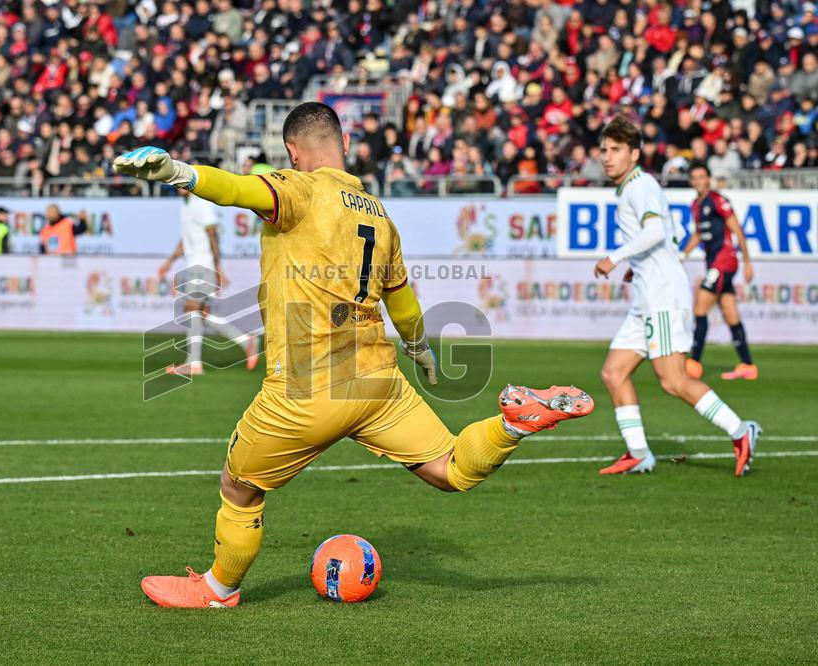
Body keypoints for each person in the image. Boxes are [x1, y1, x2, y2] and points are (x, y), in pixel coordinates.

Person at [113, 102, 595, 609]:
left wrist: (176, 172)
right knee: (449, 468)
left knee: (239, 486)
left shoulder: (299, 187)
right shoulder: (380, 216)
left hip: (306, 386)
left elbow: (237, 189)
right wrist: (422, 352)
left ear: (292, 153)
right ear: (345, 146)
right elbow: (403, 301)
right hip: (377, 382)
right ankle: (515, 425)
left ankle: (218, 590)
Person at [592, 116, 760, 477]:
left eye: (616, 150)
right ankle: (639, 453)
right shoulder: (629, 188)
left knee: (672, 379)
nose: (607, 157)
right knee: (613, 372)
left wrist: (616, 257)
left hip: (662, 296)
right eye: (604, 150)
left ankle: (740, 430)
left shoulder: (640, 185)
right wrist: (636, 264)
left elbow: (654, 230)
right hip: (645, 296)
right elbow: (665, 234)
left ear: (634, 154)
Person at [158, 186, 260, 375]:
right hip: (194, 265)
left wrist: (218, 267)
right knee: (201, 313)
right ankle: (246, 341)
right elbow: (185, 240)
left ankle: (194, 363)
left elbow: (213, 235)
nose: (178, 186)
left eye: (182, 182)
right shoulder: (186, 205)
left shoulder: (201, 203)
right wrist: (169, 262)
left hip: (203, 266)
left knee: (191, 308)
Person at [681, 166, 757, 380]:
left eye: (701, 177)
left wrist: (748, 261)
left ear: (708, 179)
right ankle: (748, 365)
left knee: (700, 306)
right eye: (693, 177)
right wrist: (683, 255)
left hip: (724, 262)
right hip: (714, 263)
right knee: (730, 311)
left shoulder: (718, 200)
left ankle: (694, 363)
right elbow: (698, 234)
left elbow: (737, 229)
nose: (697, 181)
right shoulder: (695, 205)